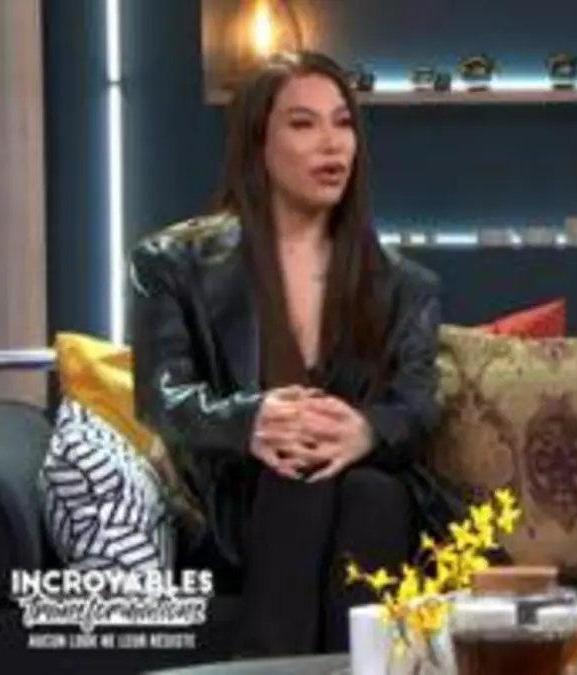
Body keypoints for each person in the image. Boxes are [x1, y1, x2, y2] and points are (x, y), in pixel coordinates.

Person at [129, 51, 460, 656]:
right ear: (258, 143)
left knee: (368, 491)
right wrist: (249, 420)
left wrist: (365, 431)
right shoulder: (172, 265)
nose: (332, 144)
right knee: (297, 477)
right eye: (303, 124)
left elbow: (415, 406)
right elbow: (160, 396)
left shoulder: (405, 286)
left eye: (343, 123)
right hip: (239, 501)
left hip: (370, 498)